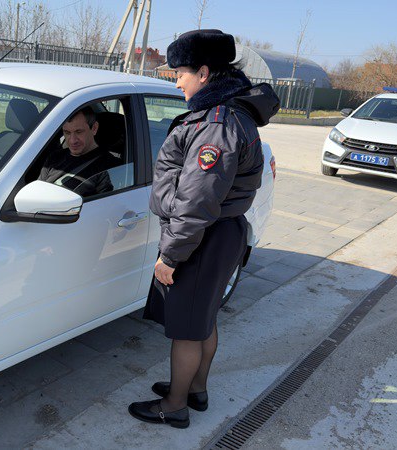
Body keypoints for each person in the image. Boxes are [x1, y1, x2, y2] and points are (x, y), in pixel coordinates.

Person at [128, 29, 280, 428]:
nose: (176, 81)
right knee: (204, 318)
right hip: (218, 233)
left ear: (205, 73)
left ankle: (175, 406)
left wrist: (170, 256)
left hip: (203, 238)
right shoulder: (226, 114)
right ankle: (195, 389)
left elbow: (197, 202)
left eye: (180, 73)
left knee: (187, 330)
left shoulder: (216, 124)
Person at [38, 106, 121, 197]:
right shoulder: (54, 157)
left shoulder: (110, 168)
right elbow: (38, 192)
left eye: (79, 132)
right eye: (67, 132)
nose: (72, 140)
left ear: (94, 128)